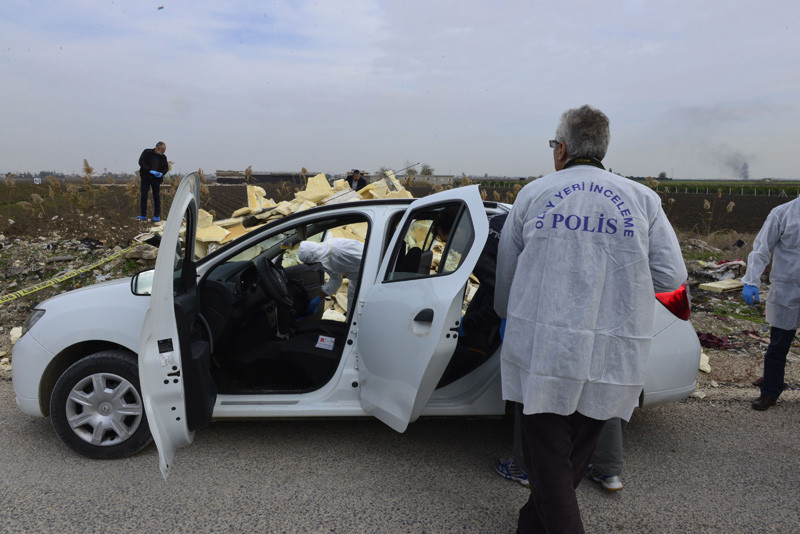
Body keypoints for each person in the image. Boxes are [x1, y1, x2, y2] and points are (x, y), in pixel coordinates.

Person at [494, 105, 687, 533]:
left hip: (544, 351)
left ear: (561, 148)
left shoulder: (535, 194)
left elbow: (506, 276)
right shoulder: (643, 200)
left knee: (549, 465)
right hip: (612, 353)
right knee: (569, 461)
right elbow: (672, 277)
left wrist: (508, 318)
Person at [741, 195, 800, 411]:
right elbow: (761, 249)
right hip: (787, 290)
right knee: (778, 346)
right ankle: (769, 392)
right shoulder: (783, 213)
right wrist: (751, 281)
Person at [297, 238, 364, 318]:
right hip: (356, 279)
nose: (311, 267)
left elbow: (370, 258)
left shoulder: (340, 250)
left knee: (365, 308)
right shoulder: (323, 258)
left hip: (370, 276)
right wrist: (319, 298)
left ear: (313, 259)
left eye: (310, 264)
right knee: (352, 309)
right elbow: (336, 279)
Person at [137, 141, 169, 222]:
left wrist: (162, 173)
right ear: (158, 148)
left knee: (156, 196)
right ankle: (143, 215)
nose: (164, 152)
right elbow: (141, 162)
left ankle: (156, 216)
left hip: (156, 179)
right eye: (163, 150)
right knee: (144, 195)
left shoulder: (163, 157)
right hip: (146, 178)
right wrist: (150, 170)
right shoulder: (146, 152)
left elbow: (166, 168)